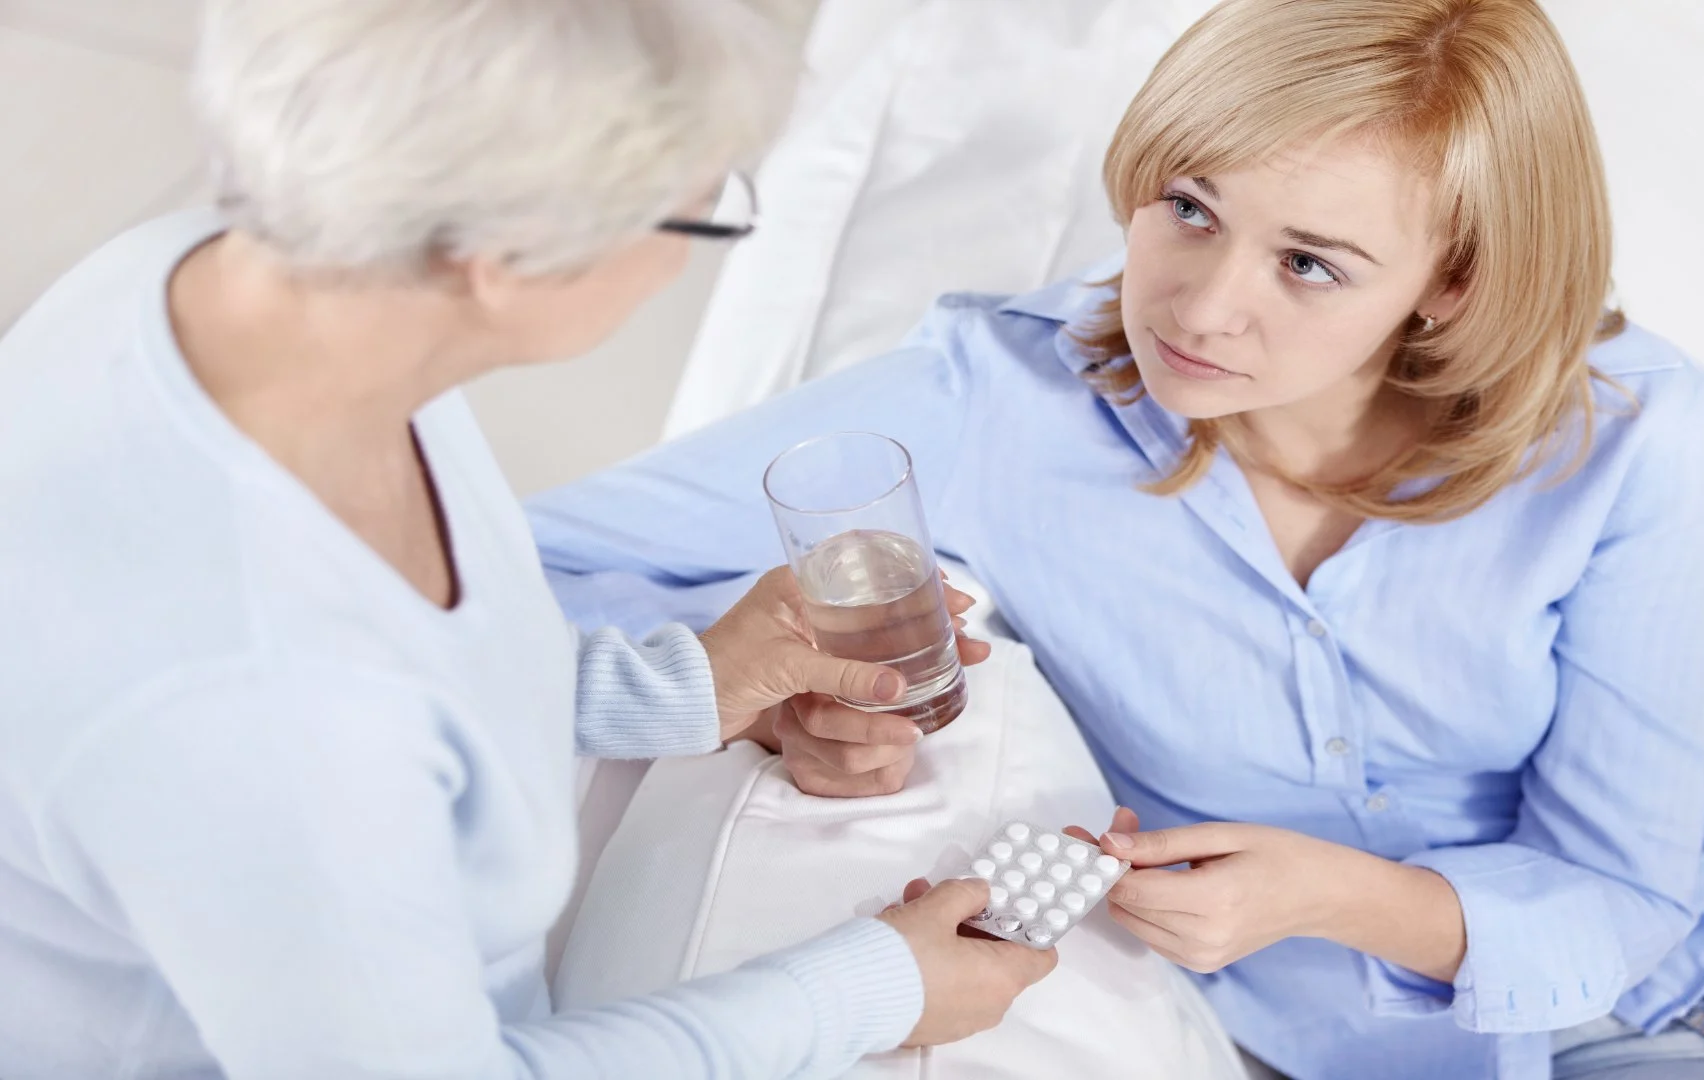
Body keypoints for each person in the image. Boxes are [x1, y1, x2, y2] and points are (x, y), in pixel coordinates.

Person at [526, 1, 1704, 1078]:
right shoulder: (984, 404)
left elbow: (1624, 891)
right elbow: (517, 567)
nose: (1199, 307)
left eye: (1307, 262)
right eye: (1188, 208)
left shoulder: (1629, 429)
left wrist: (1345, 895)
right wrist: (747, 694)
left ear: (1449, 281)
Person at [0, 2, 1057, 1078]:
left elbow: (406, 659)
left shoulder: (233, 277)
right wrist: (875, 988)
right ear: (500, 260)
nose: (692, 247)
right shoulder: (260, 704)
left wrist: (683, 690)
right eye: (701, 210)